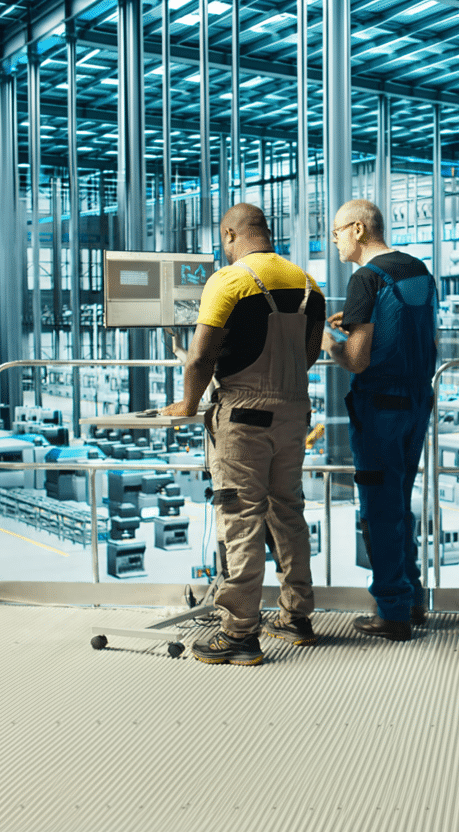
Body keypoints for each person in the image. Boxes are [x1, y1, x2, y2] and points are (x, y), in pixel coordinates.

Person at [163, 203, 325, 665]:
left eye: (222, 238)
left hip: (244, 417)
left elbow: (199, 358)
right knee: (289, 513)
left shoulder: (229, 280)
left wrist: (191, 403)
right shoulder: (306, 282)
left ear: (230, 234)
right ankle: (296, 617)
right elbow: (309, 353)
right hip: (294, 412)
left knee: (241, 518)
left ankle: (239, 633)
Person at [323, 199, 437, 641]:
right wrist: (355, 321)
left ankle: (392, 611)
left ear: (357, 229)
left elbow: (355, 359)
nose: (333, 240)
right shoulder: (418, 270)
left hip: (380, 409)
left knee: (377, 507)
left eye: (336, 232)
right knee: (399, 500)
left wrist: (331, 340)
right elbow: (415, 330)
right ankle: (412, 599)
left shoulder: (365, 278)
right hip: (416, 400)